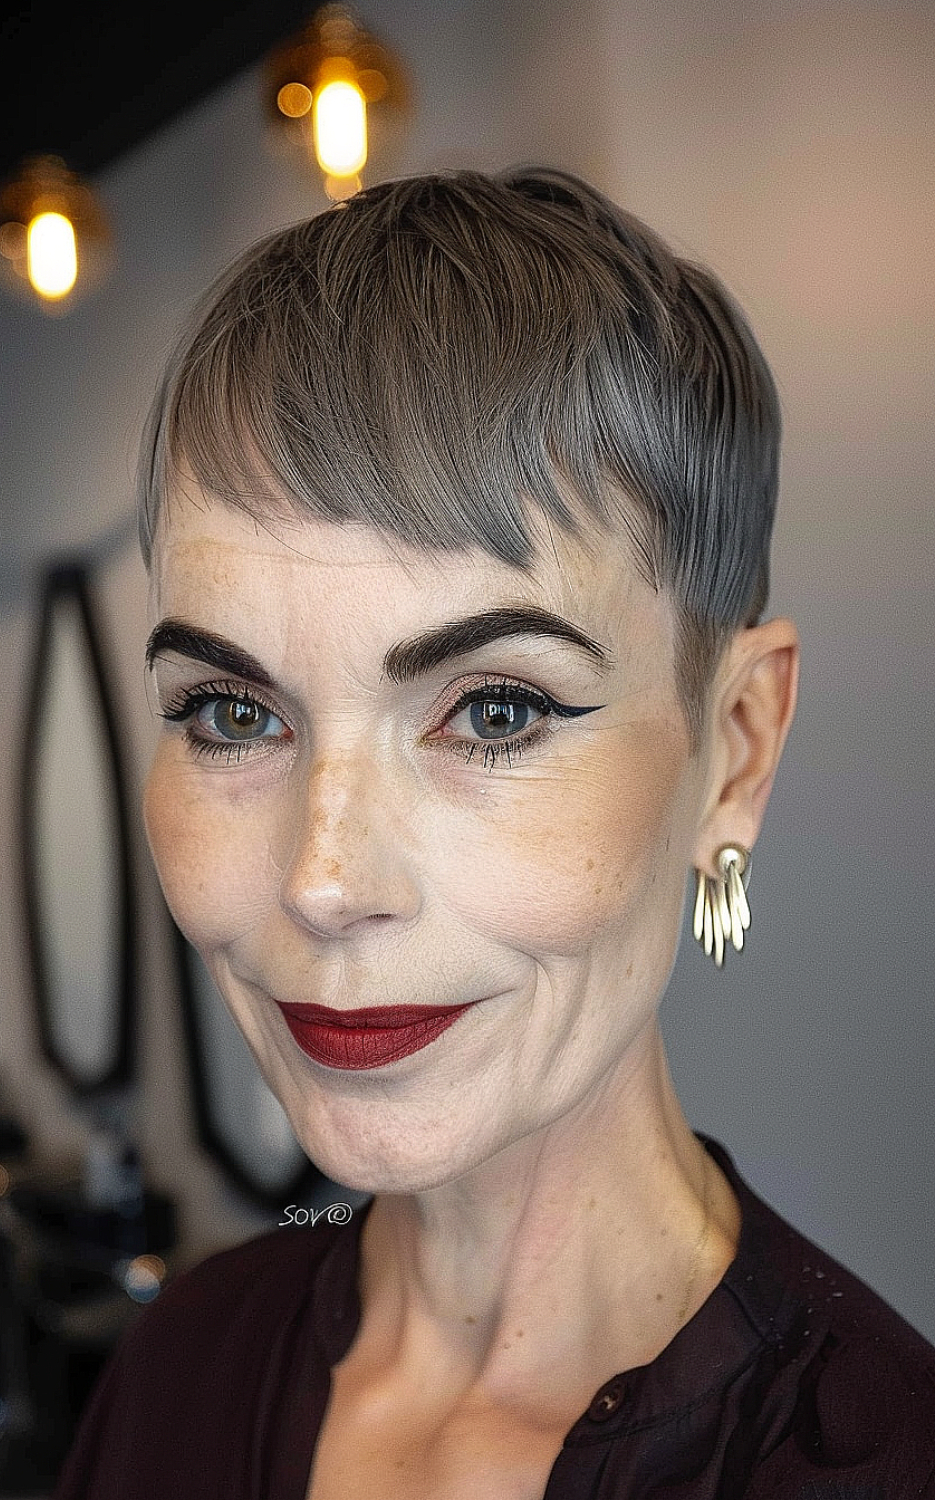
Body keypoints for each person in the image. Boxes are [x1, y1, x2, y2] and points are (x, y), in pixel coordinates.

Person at [55, 169, 935, 1499]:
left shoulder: (877, 1462)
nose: (326, 882)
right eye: (234, 712)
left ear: (736, 747)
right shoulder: (177, 1369)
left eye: (498, 709)